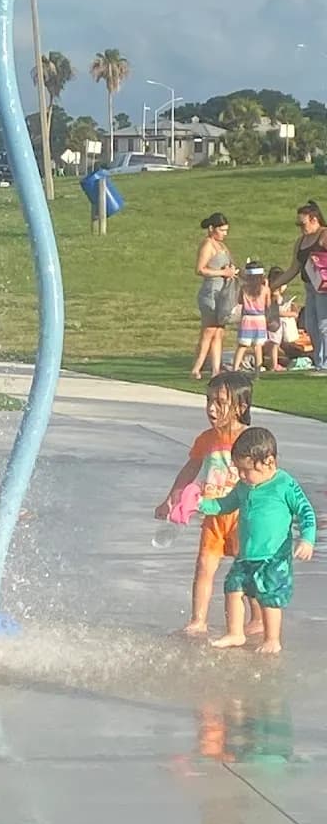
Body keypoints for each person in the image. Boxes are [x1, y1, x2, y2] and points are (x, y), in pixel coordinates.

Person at [154, 371, 261, 636]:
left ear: (241, 406)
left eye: (220, 402)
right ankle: (198, 620)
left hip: (242, 515)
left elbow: (266, 475)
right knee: (204, 565)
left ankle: (258, 616)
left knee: (245, 568)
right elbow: (190, 469)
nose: (211, 408)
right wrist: (172, 497)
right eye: (208, 400)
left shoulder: (251, 440)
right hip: (213, 515)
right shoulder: (206, 439)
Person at [199, 427, 316, 654]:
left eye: (246, 470)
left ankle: (272, 639)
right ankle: (235, 633)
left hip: (274, 556)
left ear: (269, 461)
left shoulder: (284, 484)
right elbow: (224, 504)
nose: (241, 476)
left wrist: (307, 539)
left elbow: (306, 511)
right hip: (246, 554)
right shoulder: (244, 486)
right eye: (238, 469)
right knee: (232, 586)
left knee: (269, 596)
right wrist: (201, 504)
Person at [268, 200, 327, 373]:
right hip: (310, 287)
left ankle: (325, 363)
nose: (301, 228)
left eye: (303, 224)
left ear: (314, 219)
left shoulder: (324, 235)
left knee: (324, 325)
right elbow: (294, 268)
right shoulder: (301, 242)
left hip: (324, 288)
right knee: (311, 325)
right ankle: (319, 361)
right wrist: (272, 286)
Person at [192, 213, 238, 380]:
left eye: (226, 230)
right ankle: (197, 367)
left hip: (223, 294)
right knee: (209, 330)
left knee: (219, 332)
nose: (225, 233)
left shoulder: (222, 246)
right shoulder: (207, 244)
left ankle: (216, 370)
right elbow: (200, 269)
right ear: (212, 229)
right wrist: (222, 272)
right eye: (222, 230)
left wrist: (232, 271)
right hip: (210, 293)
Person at [232, 261, 271, 374]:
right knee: (257, 347)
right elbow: (268, 304)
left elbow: (240, 301)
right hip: (260, 319)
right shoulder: (265, 289)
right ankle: (257, 371)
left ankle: (235, 369)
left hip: (247, 319)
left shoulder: (244, 288)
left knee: (242, 346)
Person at [265, 267, 299, 372]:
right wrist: (290, 313)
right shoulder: (274, 294)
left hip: (276, 323)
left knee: (275, 344)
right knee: (274, 344)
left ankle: (275, 363)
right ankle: (274, 365)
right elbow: (275, 310)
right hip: (274, 323)